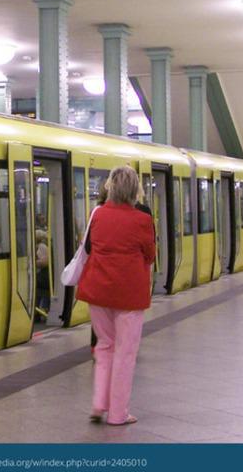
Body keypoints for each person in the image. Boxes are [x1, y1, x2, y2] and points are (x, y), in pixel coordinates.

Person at [76, 165, 156, 426]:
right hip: (129, 296)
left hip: (98, 292)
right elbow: (150, 255)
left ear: (110, 187)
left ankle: (100, 404)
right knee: (125, 353)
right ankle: (118, 414)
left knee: (105, 346)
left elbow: (89, 247)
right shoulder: (143, 220)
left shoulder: (96, 215)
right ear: (136, 190)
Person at [35, 229, 50, 316]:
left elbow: (45, 262)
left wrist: (33, 263)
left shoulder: (41, 247)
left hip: (42, 276)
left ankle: (41, 309)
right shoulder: (41, 246)